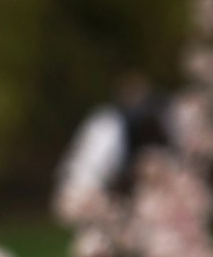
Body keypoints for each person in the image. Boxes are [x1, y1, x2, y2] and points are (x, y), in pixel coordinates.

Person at [53, 73, 174, 215]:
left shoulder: (109, 119)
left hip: (83, 187)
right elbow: (103, 164)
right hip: (87, 190)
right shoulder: (109, 122)